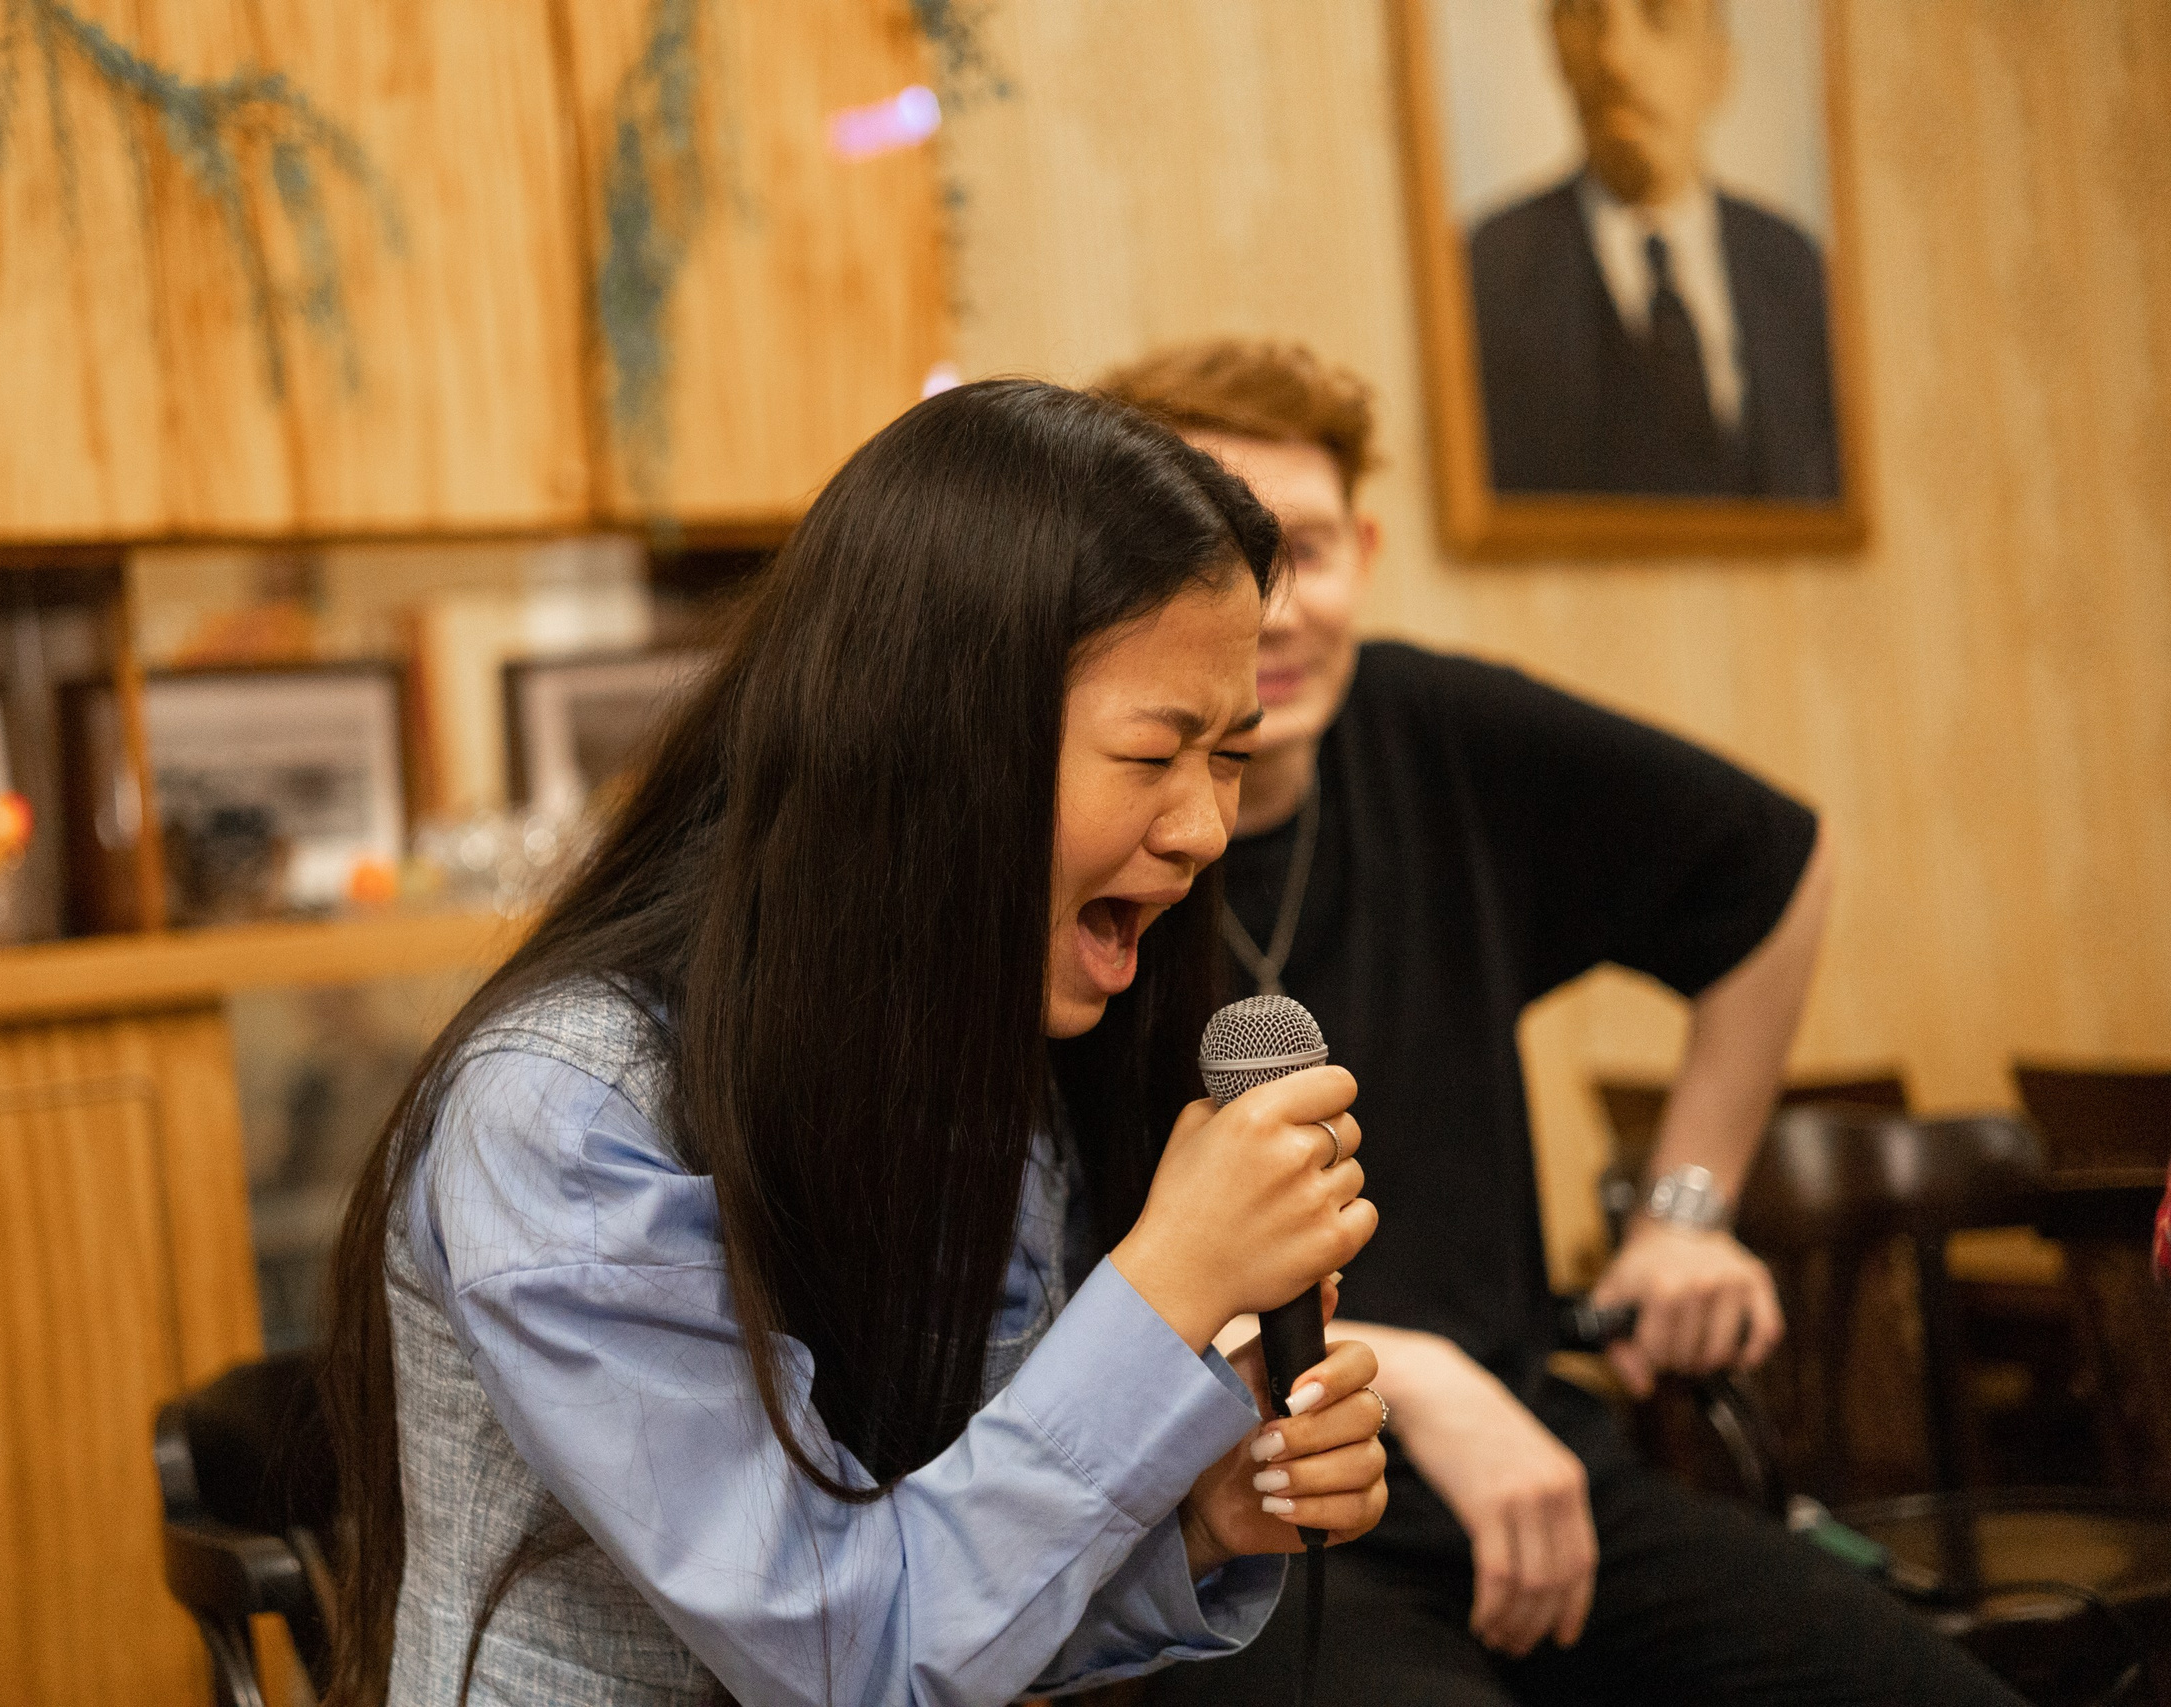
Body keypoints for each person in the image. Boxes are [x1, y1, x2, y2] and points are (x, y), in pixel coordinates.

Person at [316, 379, 1394, 1707]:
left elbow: (956, 1600)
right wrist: (1171, 1279)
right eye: (1151, 756)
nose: (1205, 829)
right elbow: (845, 1651)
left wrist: (1198, 1523)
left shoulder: (987, 1067)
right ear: (934, 742)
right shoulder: (563, 1113)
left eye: (1228, 756)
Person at [1102, 339, 2024, 1706]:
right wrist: (1409, 1377)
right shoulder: (1081, 836)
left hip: (1536, 1461)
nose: (1275, 609)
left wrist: (1686, 1209)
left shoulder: (1441, 732)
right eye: (1224, 558)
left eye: (1306, 549)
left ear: (1365, 550)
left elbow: (1777, 865)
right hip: (1246, 1513)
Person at [1469, 0, 1842, 499]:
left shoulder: (1797, 272)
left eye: (1660, 18)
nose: (1616, 58)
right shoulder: (1487, 275)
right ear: (1558, 48)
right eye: (1589, 17)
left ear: (1716, 66)